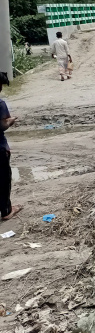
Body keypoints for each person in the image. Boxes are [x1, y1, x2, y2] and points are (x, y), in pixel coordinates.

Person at [0, 72, 21, 222]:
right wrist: (11, 120)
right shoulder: (0, 104)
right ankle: (7, 210)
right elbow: (2, 125)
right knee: (3, 179)